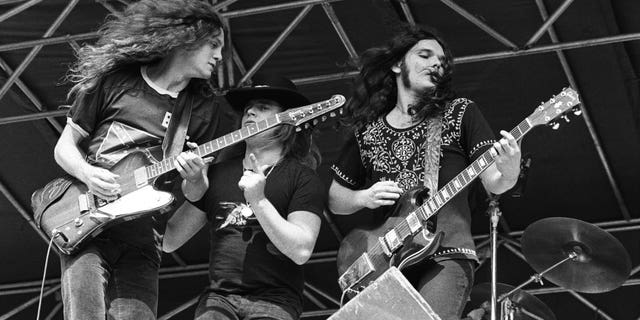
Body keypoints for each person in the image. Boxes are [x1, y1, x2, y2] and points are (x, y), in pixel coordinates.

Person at [52, 1, 236, 318]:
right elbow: (63, 147)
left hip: (143, 239)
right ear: (187, 38)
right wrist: (87, 172)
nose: (220, 56)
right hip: (90, 224)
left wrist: (195, 179)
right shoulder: (115, 81)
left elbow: (195, 197)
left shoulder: (206, 110)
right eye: (214, 45)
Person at [328, 24, 522, 320]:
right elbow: (335, 199)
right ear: (396, 64)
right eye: (425, 55)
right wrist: (364, 197)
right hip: (386, 260)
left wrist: (509, 168)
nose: (435, 63)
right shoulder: (367, 132)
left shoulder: (460, 112)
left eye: (441, 61)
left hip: (446, 254)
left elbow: (495, 183)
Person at [163, 74, 324, 320]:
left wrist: (259, 201)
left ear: (286, 121)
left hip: (276, 303)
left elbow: (301, 249)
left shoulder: (303, 178)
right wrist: (193, 185)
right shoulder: (216, 173)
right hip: (219, 300)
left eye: (263, 108)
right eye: (248, 109)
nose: (250, 113)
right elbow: (170, 240)